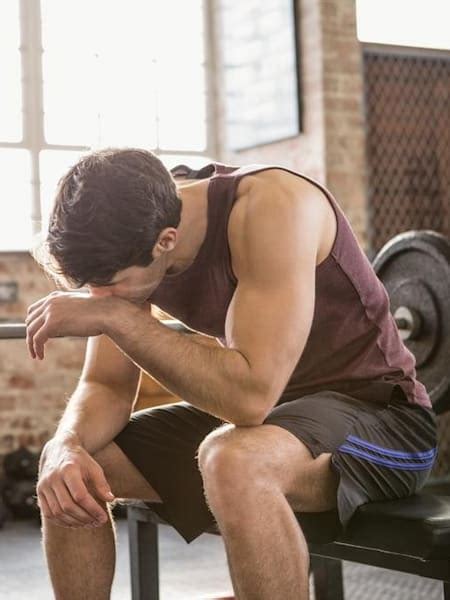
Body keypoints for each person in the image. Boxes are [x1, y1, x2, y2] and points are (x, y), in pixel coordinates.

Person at [27, 147, 437, 600]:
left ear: (166, 240)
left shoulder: (273, 208)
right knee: (70, 472)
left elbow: (248, 399)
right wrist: (67, 445)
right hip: (275, 425)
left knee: (233, 459)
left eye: (111, 284)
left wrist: (120, 320)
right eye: (92, 288)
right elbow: (105, 384)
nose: (100, 297)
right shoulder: (133, 219)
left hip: (385, 423)